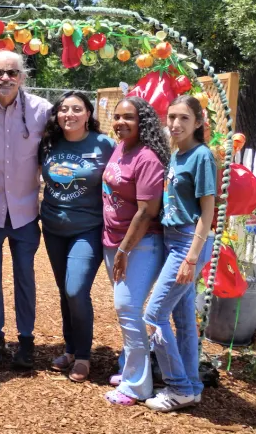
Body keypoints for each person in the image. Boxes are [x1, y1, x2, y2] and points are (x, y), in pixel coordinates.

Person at [0, 50, 51, 368]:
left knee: (25, 277)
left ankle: (26, 340)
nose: (5, 78)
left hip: (25, 212)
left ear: (23, 77)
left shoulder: (42, 111)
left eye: (12, 72)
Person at [143, 95, 216, 412]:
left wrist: (191, 257)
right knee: (183, 320)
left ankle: (178, 387)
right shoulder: (177, 155)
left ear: (198, 123)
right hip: (174, 239)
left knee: (154, 314)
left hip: (189, 241)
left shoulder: (201, 156)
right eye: (171, 116)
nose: (175, 123)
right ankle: (193, 386)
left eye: (184, 118)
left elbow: (207, 210)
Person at [39, 91, 115, 382]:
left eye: (77, 109)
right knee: (64, 290)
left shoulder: (104, 145)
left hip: (89, 228)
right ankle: (70, 349)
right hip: (54, 228)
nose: (69, 114)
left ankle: (83, 355)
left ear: (88, 114)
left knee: (75, 290)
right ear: (57, 114)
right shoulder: (48, 144)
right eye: (64, 109)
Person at [100, 97, 170, 406]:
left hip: (138, 245)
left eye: (128, 117)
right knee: (127, 309)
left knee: (128, 309)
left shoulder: (147, 157)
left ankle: (137, 386)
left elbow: (146, 211)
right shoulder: (122, 148)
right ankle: (130, 369)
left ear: (143, 121)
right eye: (117, 116)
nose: (120, 122)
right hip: (113, 242)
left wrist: (125, 250)